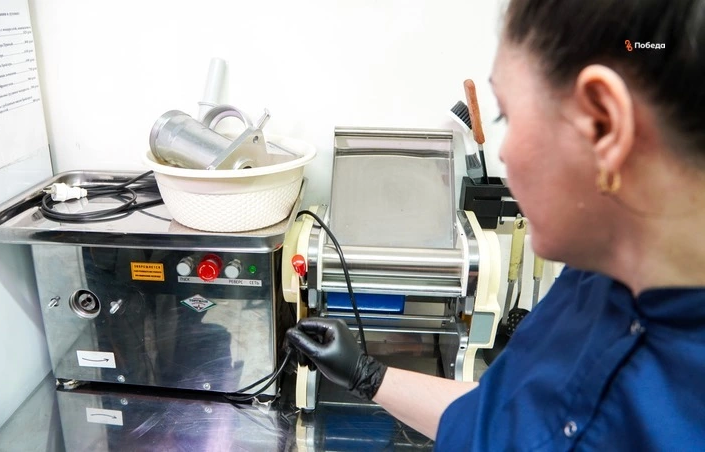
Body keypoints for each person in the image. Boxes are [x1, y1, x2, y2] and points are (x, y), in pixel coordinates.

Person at [286, 0, 705, 450]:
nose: (502, 153)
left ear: (603, 123)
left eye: (507, 115)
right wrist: (366, 374)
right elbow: (498, 417)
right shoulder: (589, 281)